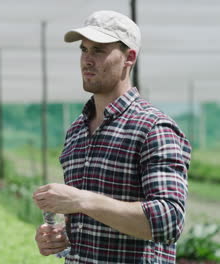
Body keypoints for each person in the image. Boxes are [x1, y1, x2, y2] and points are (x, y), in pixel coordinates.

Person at [33, 10, 191, 264]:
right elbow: (92, 217)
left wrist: (80, 200)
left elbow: (168, 222)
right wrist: (62, 237)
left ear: (129, 57)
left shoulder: (153, 127)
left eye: (98, 50)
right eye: (84, 50)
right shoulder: (77, 130)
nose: (87, 59)